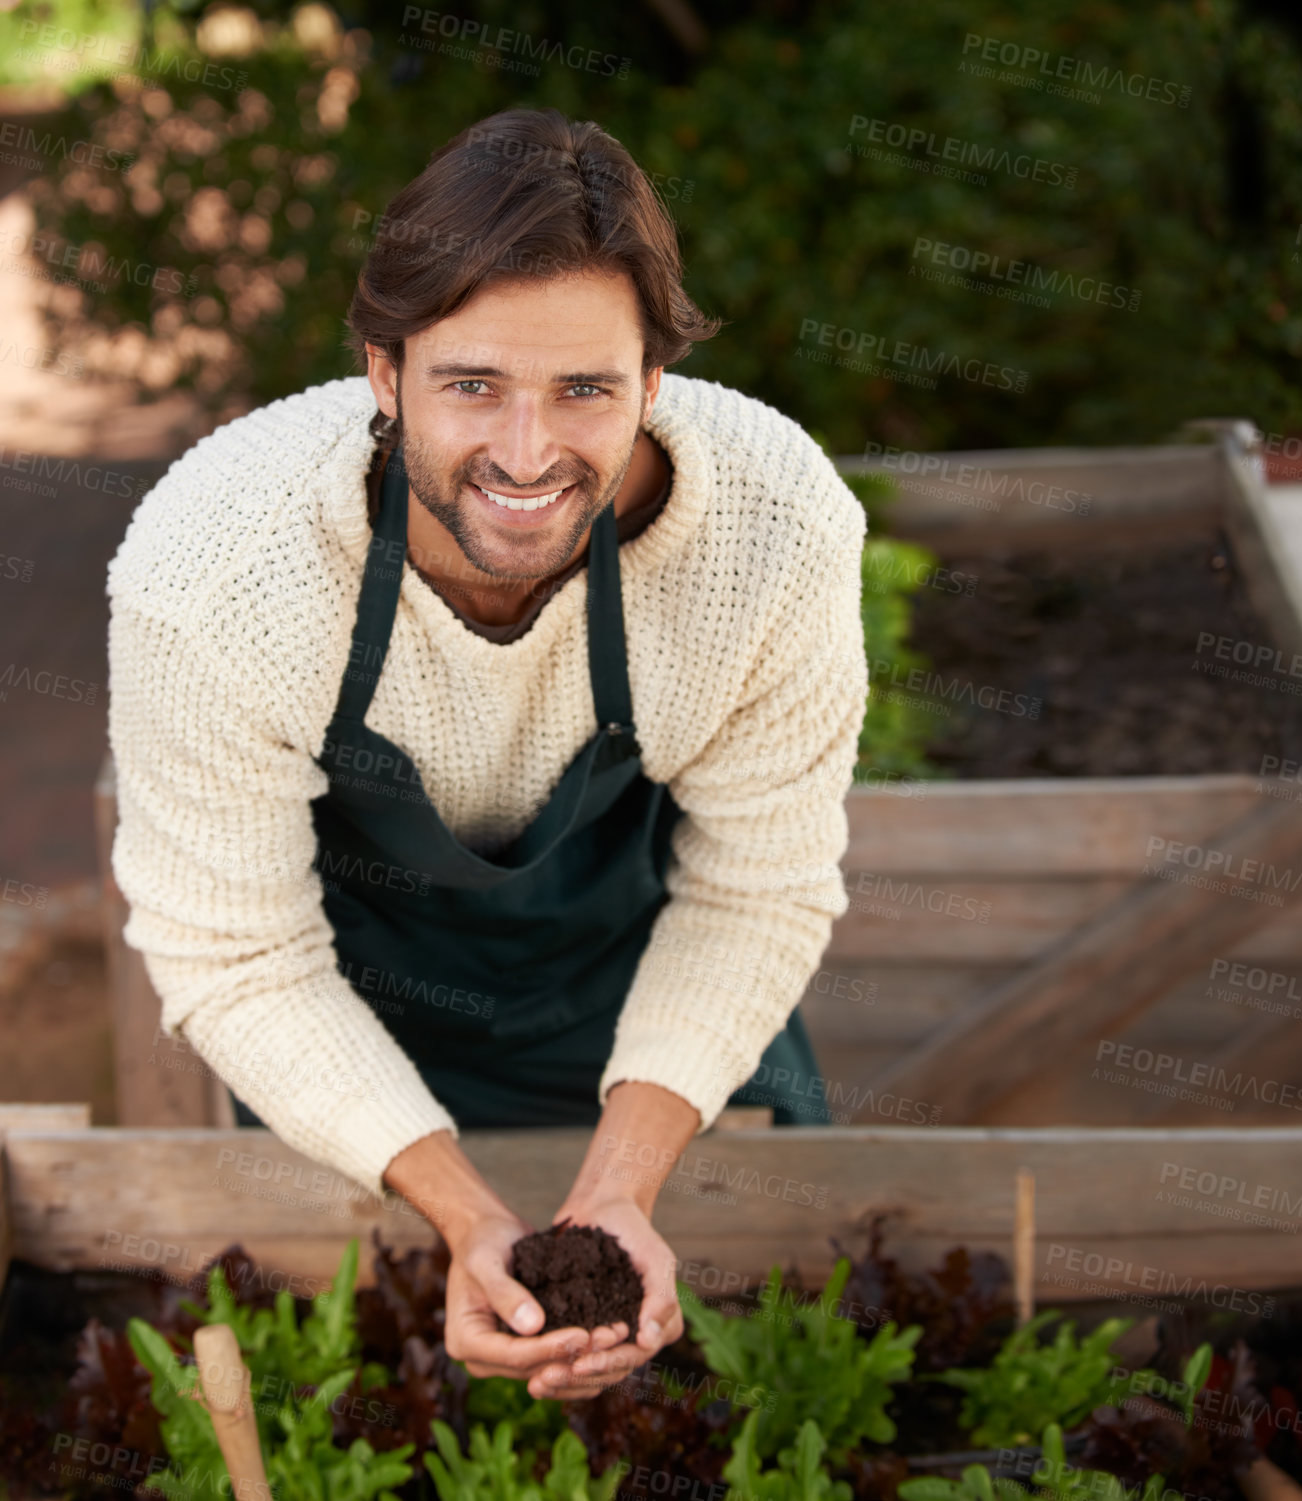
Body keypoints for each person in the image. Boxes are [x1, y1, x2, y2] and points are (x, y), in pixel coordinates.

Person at [106, 106, 868, 1402]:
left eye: (585, 389)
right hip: (351, 1031)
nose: (529, 454)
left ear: (654, 382)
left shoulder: (777, 529)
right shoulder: (215, 565)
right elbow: (238, 952)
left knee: (755, 1391)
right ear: (384, 373)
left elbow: (755, 891)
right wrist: (466, 1215)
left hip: (654, 1009)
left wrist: (616, 1194)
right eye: (472, 386)